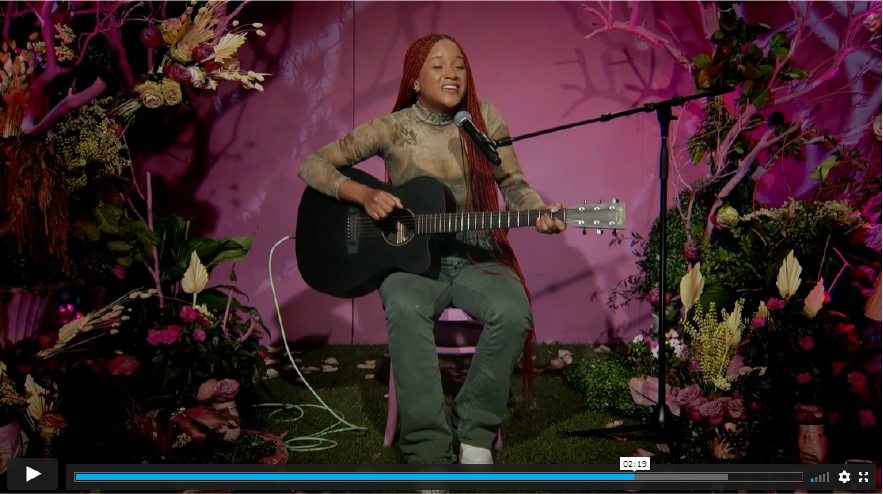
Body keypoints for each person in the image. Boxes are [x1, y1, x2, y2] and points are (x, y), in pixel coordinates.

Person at [296, 34, 566, 469]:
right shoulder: (393, 126)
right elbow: (312, 165)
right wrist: (363, 196)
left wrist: (538, 213)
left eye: (459, 64)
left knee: (515, 313)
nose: (451, 73)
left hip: (477, 254)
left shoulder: (484, 120)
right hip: (411, 262)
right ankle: (426, 448)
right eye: (437, 65)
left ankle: (475, 428)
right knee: (404, 308)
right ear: (416, 80)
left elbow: (514, 186)